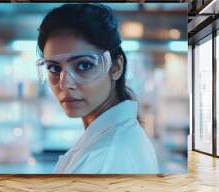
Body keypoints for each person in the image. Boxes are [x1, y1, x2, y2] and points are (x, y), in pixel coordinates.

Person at [36, 3, 159, 174]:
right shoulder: (113, 138)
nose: (64, 84)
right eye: (54, 68)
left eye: (84, 65)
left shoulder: (105, 158)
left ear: (116, 67)